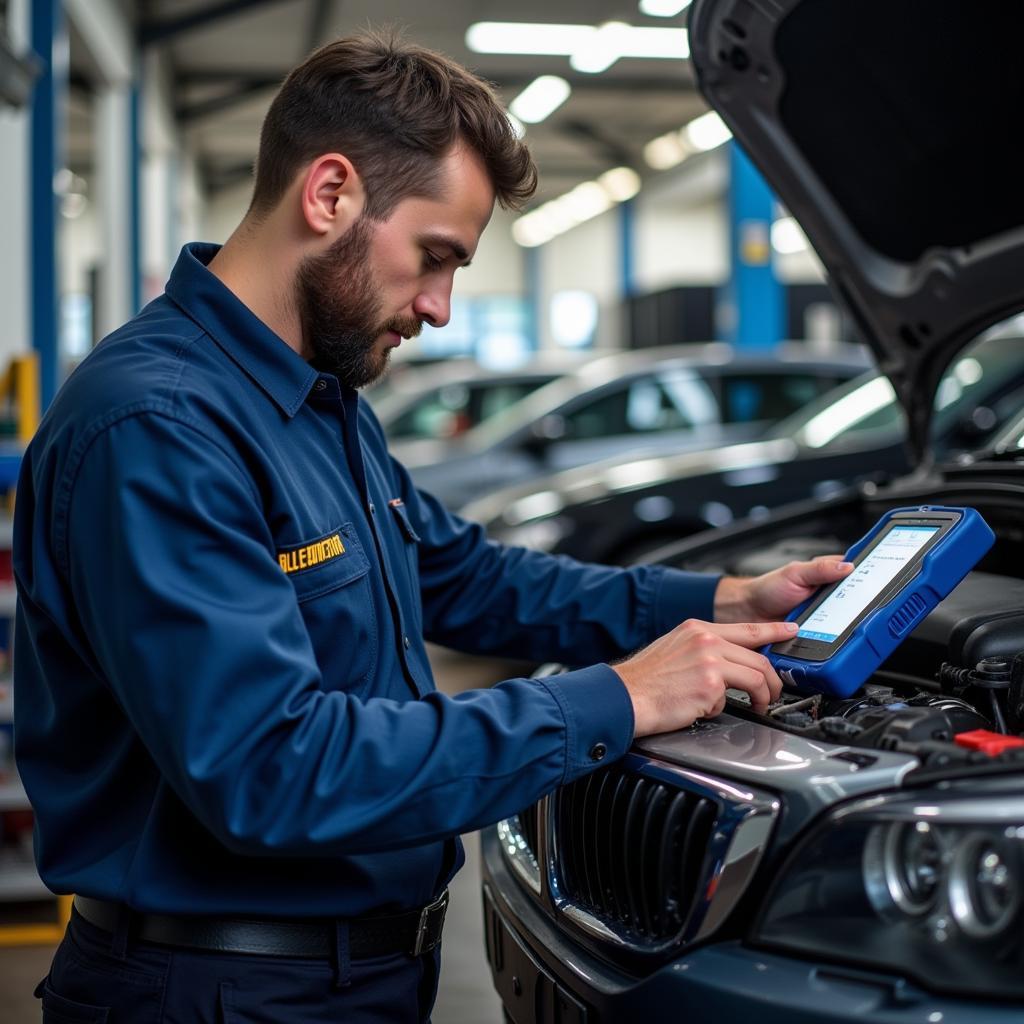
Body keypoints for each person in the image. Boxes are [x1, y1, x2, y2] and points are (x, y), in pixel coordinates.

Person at [13, 32, 852, 1023]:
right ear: (329, 195)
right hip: (221, 990)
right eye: (435, 256)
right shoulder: (158, 428)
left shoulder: (320, 400)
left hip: (352, 978)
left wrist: (720, 600)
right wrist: (615, 700)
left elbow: (466, 577)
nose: (442, 307)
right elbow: (274, 767)